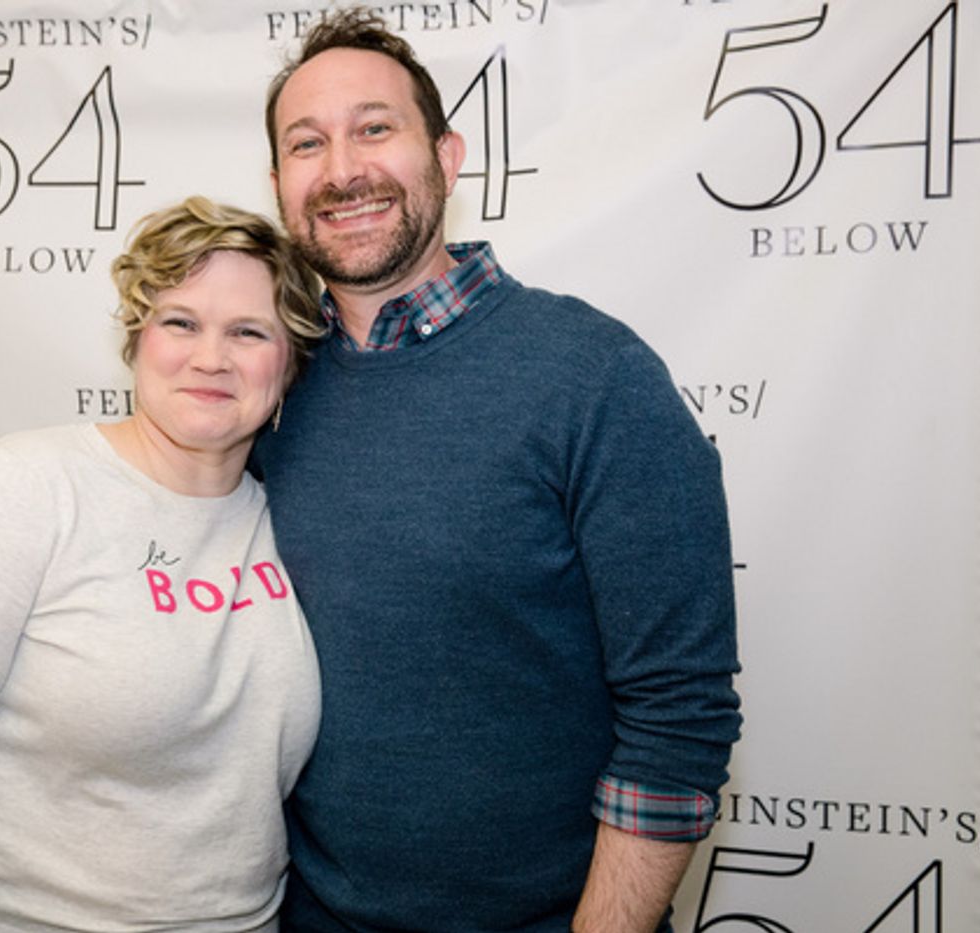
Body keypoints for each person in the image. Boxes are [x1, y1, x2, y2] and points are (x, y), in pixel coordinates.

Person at [254, 10, 743, 932]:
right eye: (306, 143)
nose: (342, 170)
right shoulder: (264, 393)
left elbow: (678, 715)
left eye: (374, 128)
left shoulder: (592, 374)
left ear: (447, 157)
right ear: (279, 184)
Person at [0, 196, 326, 933]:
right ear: (136, 339)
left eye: (248, 331)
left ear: (288, 362)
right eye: (180, 322)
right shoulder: (28, 489)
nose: (211, 357)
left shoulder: (288, 518)